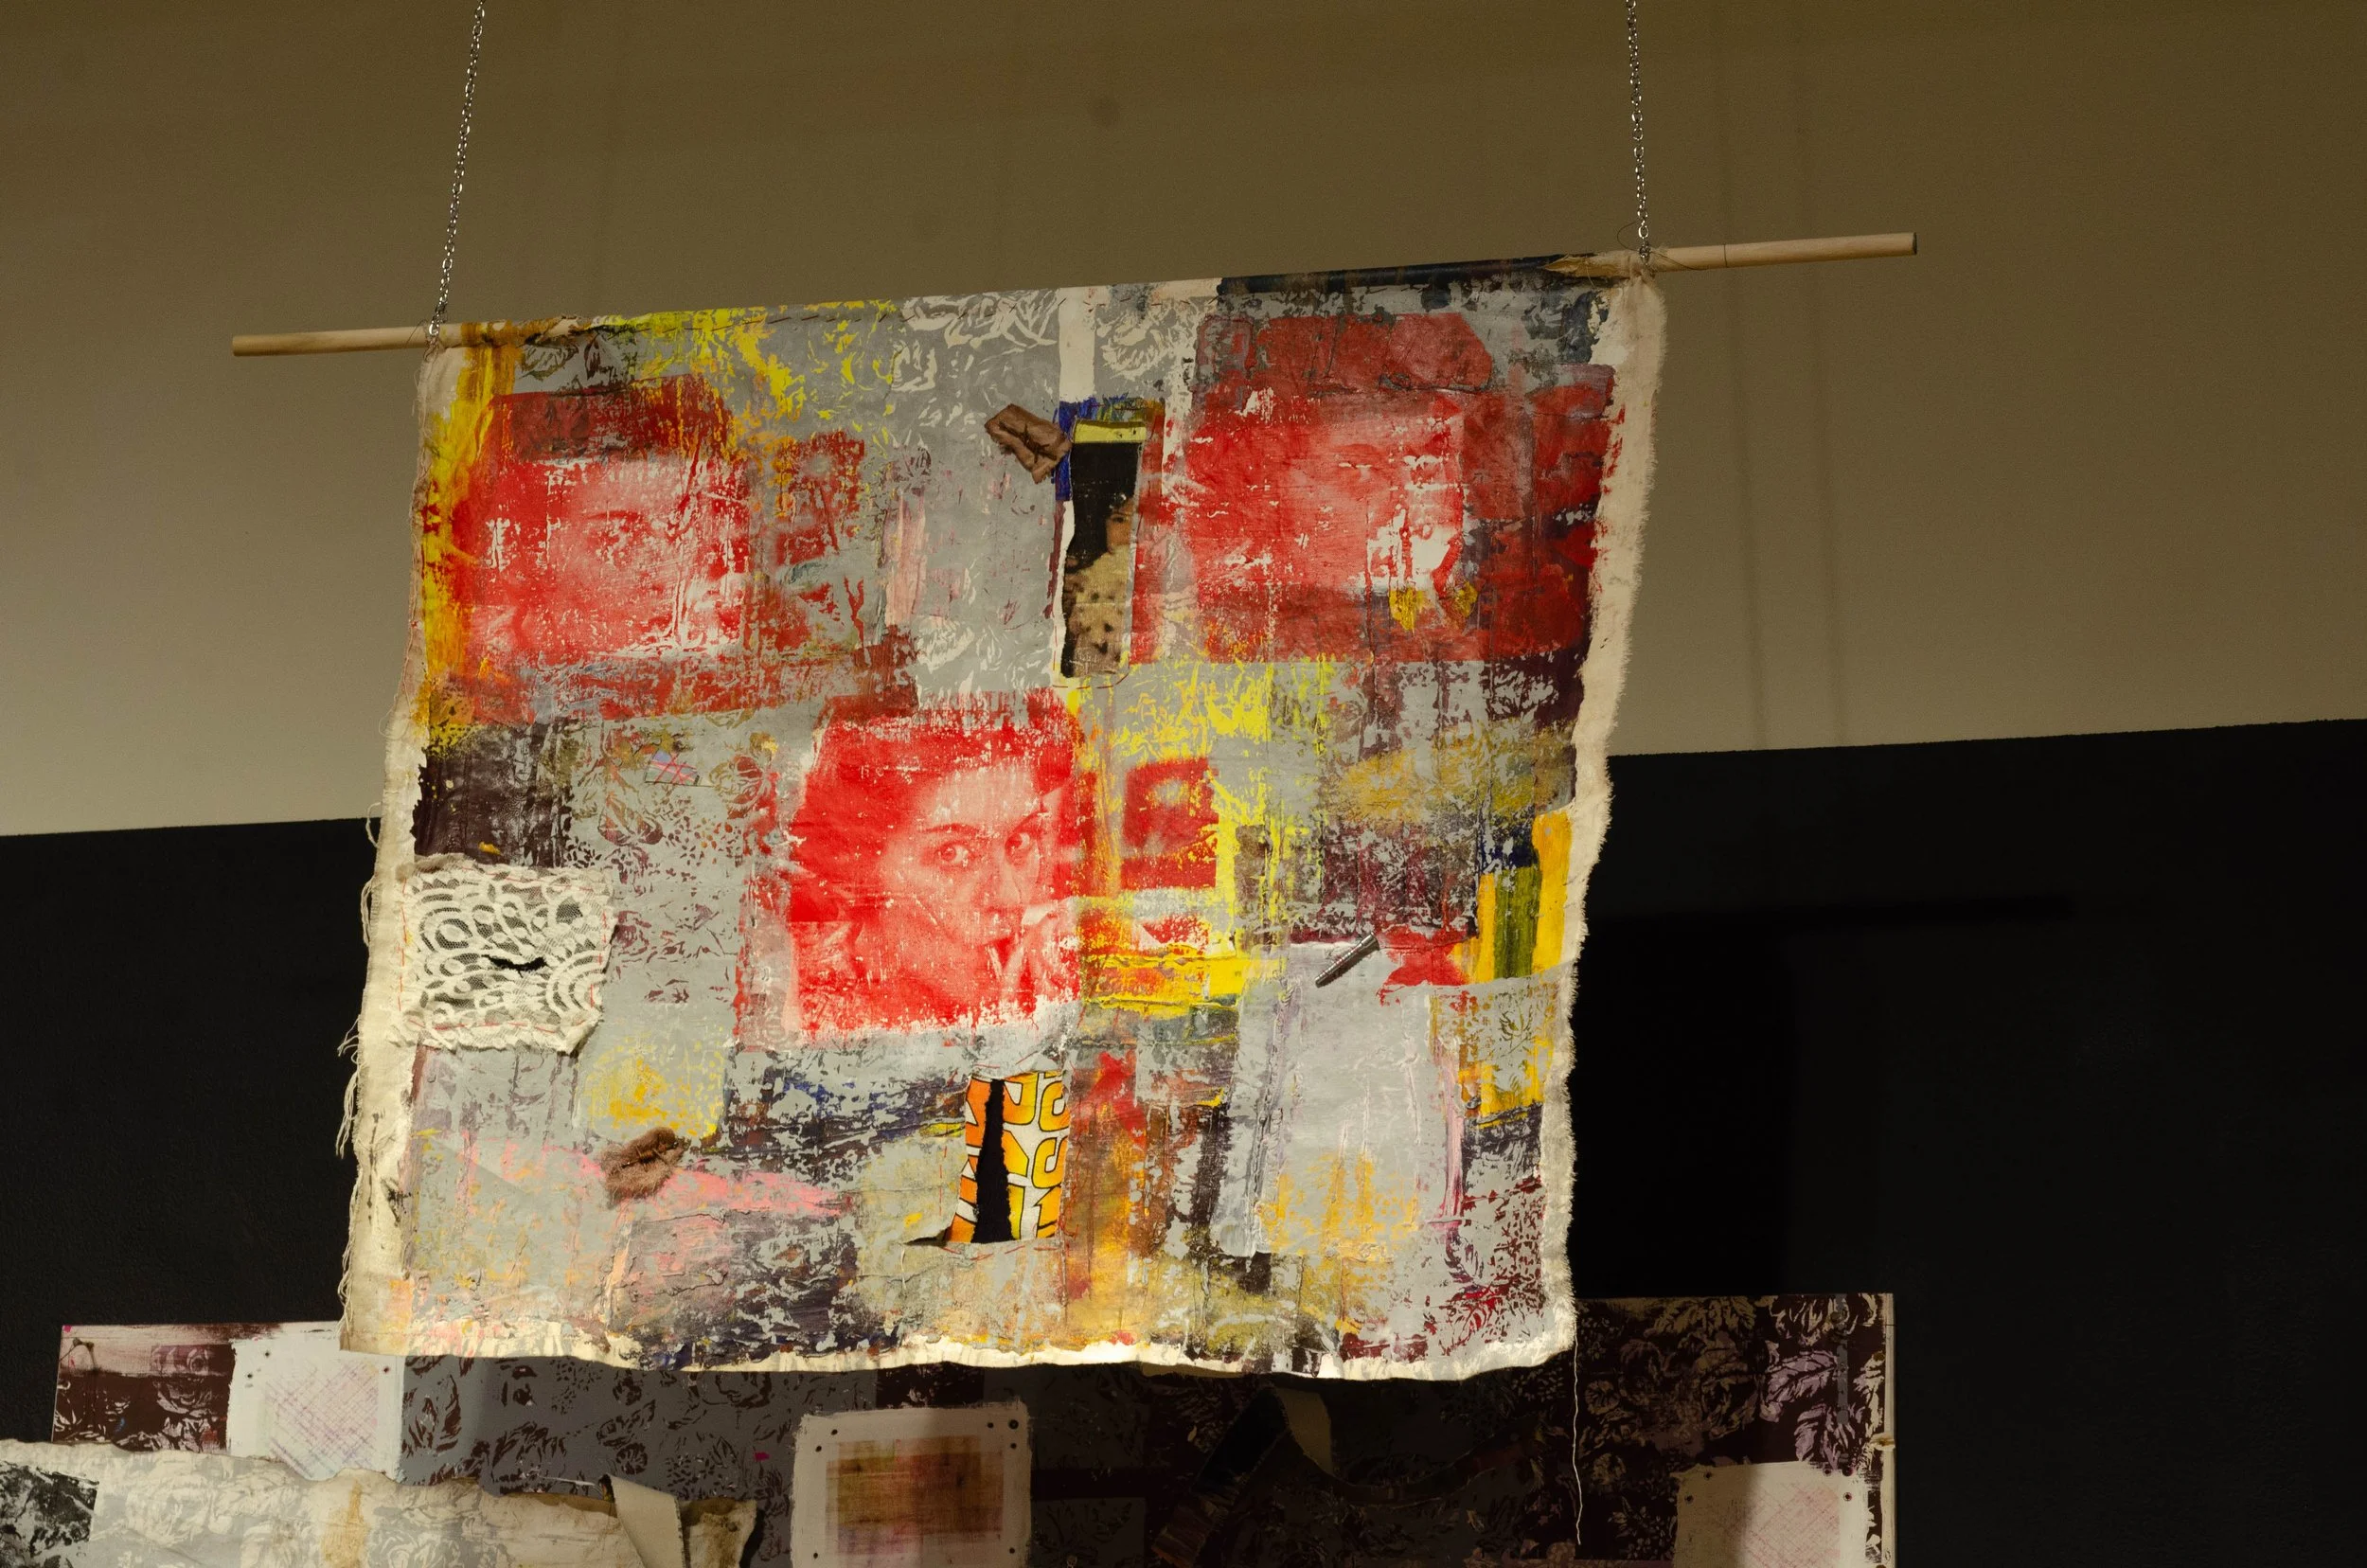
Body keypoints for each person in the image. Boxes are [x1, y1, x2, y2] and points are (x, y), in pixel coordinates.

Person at [784, 698, 1080, 1031]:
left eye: (1019, 841)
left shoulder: (1046, 961)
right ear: (864, 860)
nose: (1009, 897)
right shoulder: (798, 999)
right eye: (952, 853)